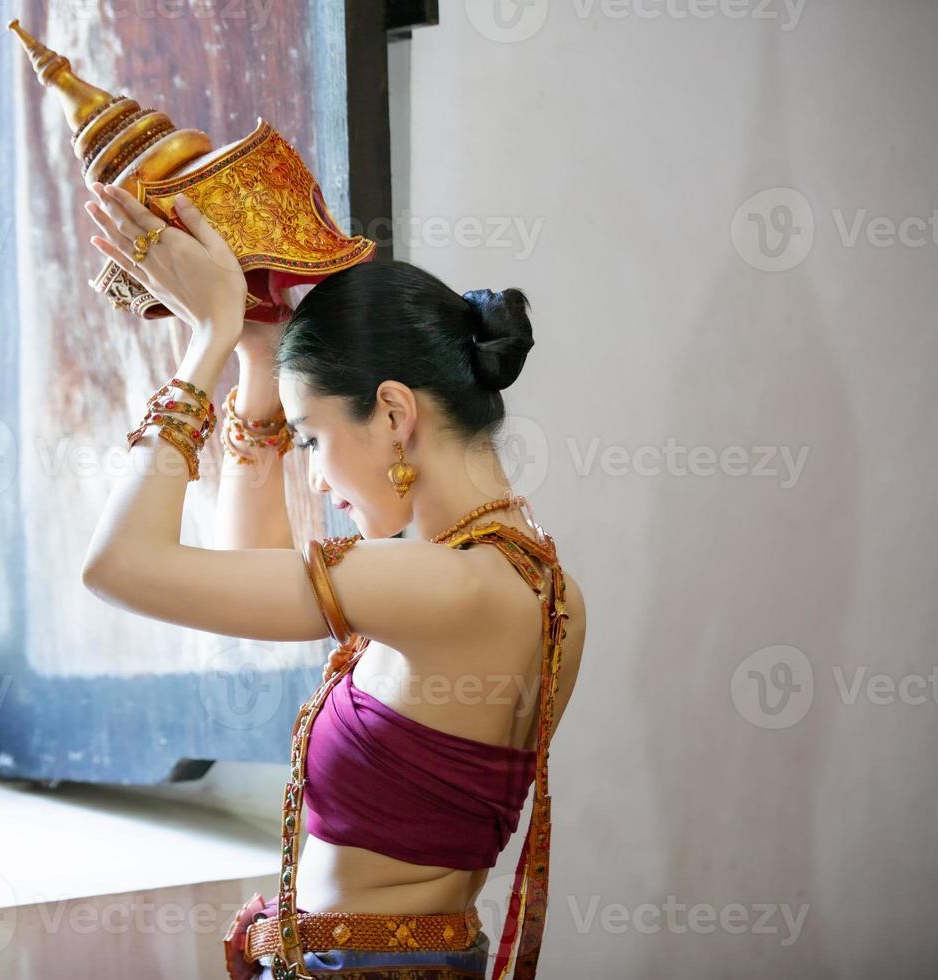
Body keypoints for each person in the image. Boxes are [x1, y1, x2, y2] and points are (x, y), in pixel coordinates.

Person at [80, 181, 588, 980]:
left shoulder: (450, 588)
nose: (314, 479)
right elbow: (247, 567)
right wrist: (255, 353)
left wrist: (204, 344)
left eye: (311, 438)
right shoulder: (505, 573)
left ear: (392, 414)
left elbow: (119, 566)